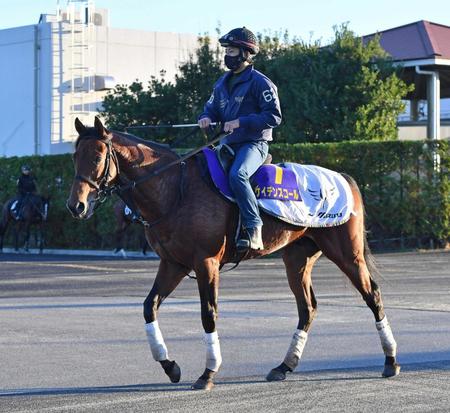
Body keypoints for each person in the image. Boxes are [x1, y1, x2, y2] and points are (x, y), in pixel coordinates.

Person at [198, 27, 282, 251]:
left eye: (232, 50)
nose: (227, 55)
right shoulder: (221, 83)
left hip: (254, 144)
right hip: (226, 144)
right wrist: (205, 117)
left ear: (246, 53)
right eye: (226, 50)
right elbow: (210, 109)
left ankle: (254, 228)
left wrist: (241, 122)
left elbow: (274, 116)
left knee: (238, 175)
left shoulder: (260, 82)